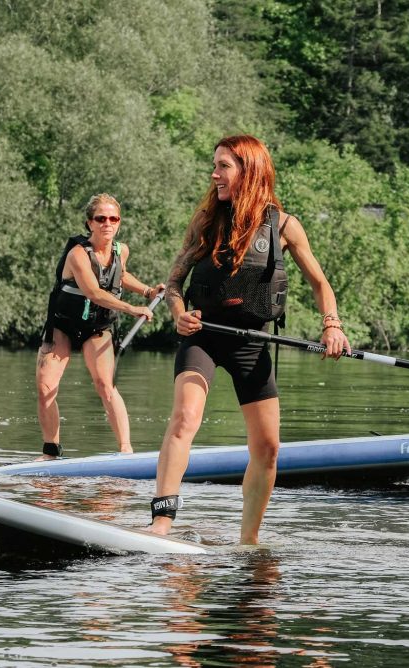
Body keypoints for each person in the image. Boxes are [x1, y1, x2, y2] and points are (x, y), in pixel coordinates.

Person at [149, 135, 350, 544]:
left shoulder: (286, 226)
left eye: (223, 165)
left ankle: (248, 540)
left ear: (249, 170)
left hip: (251, 342)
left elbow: (321, 283)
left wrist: (332, 325)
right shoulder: (206, 219)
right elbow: (173, 283)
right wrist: (177, 314)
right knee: (185, 418)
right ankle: (161, 523)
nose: (214, 174)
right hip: (203, 336)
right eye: (215, 165)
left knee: (269, 448)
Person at [36, 193, 165, 460]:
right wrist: (132, 308)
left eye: (113, 218)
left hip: (97, 327)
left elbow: (121, 274)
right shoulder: (77, 255)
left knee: (106, 386)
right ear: (90, 223)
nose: (108, 223)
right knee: (45, 387)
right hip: (63, 325)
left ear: (119, 222)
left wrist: (148, 291)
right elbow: (94, 292)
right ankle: (51, 452)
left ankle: (126, 451)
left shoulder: (121, 250)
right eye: (101, 218)